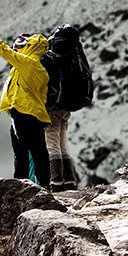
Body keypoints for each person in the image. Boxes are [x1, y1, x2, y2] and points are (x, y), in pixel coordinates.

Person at [0, 18, 51, 188]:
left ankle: (19, 187)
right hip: (36, 116)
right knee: (39, 152)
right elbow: (42, 97)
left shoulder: (24, 63)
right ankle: (45, 186)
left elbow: (2, 48)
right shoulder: (41, 70)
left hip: (20, 112)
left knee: (20, 153)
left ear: (30, 46)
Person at [41, 23, 94, 192]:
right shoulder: (75, 56)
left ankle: (56, 182)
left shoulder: (53, 58)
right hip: (67, 108)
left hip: (54, 107)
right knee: (63, 143)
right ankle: (70, 180)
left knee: (52, 143)